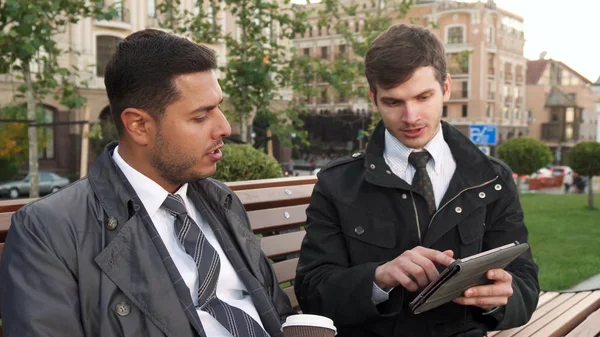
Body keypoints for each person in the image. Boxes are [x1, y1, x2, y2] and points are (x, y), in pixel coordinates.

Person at [0, 29, 295, 337]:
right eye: (200, 117)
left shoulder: (221, 200)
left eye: (219, 107)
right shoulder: (50, 230)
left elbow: (276, 311)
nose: (224, 127)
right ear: (139, 125)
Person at [295, 24, 539, 337]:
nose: (411, 117)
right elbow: (312, 292)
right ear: (375, 99)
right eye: (393, 102)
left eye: (423, 97)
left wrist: (502, 298)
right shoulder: (337, 184)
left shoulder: (492, 177)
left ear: (446, 88)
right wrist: (379, 278)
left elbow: (525, 284)